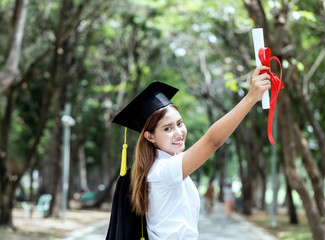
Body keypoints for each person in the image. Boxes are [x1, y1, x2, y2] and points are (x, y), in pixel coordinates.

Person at [110, 66, 271, 240]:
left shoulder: (160, 167)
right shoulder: (162, 170)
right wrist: (251, 97)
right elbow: (212, 141)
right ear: (150, 137)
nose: (178, 132)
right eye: (167, 128)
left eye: (179, 123)